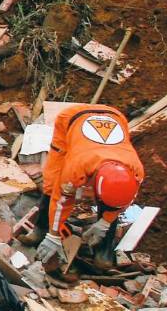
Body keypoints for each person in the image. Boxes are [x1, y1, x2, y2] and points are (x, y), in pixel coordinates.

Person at [22, 104, 144, 268]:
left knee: (111, 199)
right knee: (52, 181)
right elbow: (62, 200)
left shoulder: (135, 172)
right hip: (70, 120)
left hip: (115, 117)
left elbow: (122, 201)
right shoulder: (76, 168)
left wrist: (106, 222)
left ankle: (103, 250)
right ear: (93, 182)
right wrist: (54, 235)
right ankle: (41, 229)